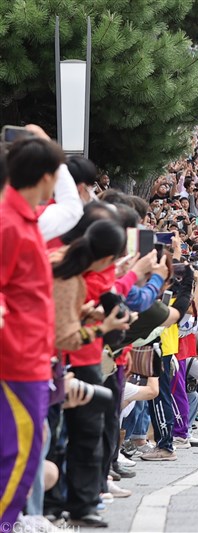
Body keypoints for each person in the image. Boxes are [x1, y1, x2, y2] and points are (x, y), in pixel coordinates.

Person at [0, 135, 63, 527]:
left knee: (24, 447)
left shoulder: (22, 221)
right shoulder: (9, 224)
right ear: (44, 178)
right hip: (17, 357)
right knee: (19, 450)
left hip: (32, 355)